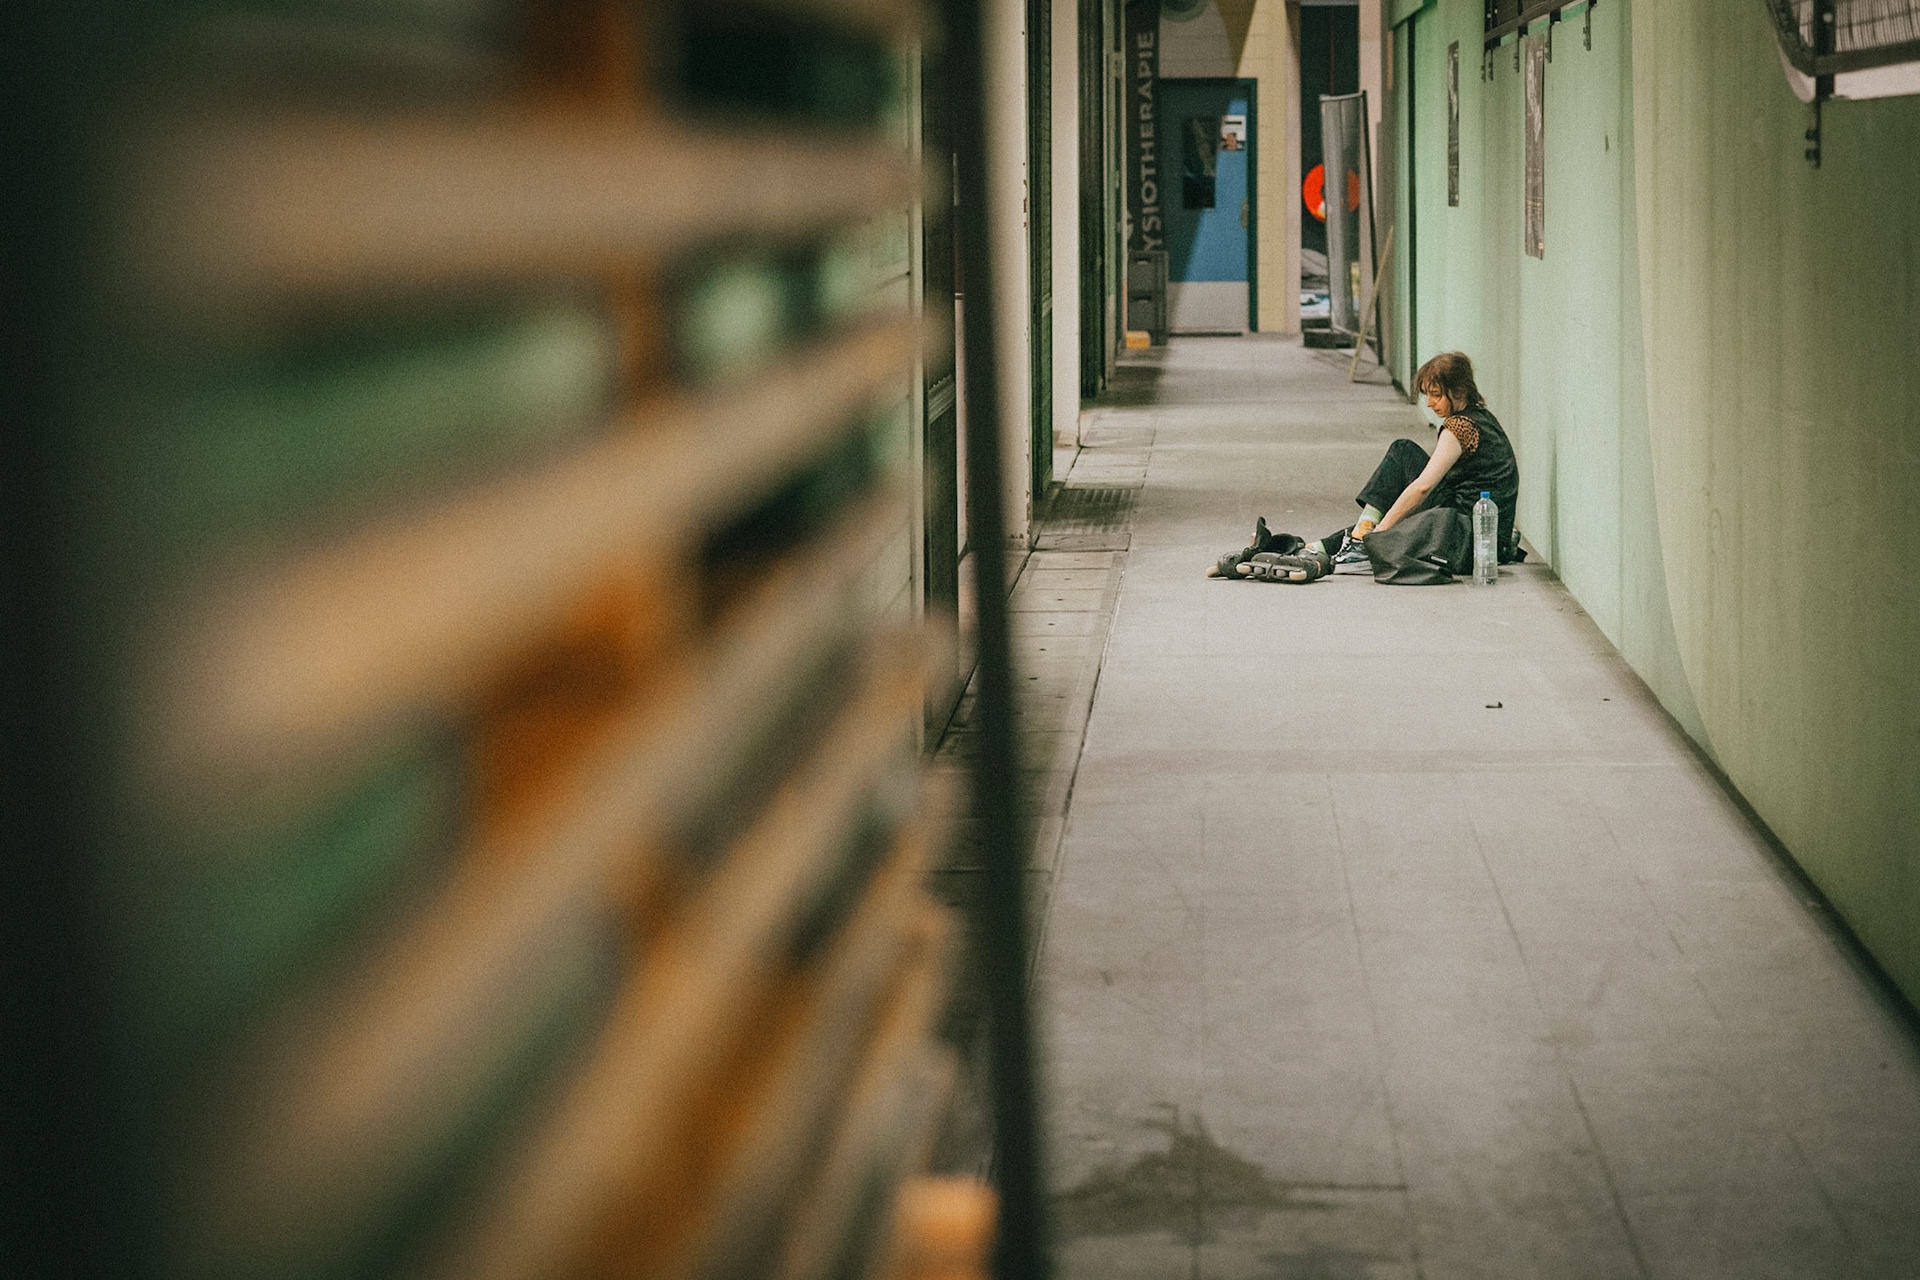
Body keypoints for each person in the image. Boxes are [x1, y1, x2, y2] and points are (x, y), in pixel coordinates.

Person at [1208, 351, 1520, 582]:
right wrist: (1377, 528)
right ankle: (1321, 546)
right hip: (1474, 522)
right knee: (1402, 454)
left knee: (1387, 517)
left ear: (1459, 391)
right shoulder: (1481, 418)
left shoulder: (1460, 427)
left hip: (1467, 532)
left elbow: (1423, 487)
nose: (1429, 403)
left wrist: (1381, 532)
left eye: (1436, 395)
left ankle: (1357, 542)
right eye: (1427, 395)